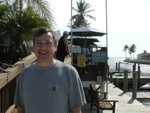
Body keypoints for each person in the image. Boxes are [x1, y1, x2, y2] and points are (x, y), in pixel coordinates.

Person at [13, 27, 86, 113]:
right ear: (34, 47)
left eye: (48, 43)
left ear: (55, 47)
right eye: (39, 43)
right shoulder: (24, 74)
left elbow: (76, 111)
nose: (43, 47)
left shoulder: (70, 73)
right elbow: (21, 109)